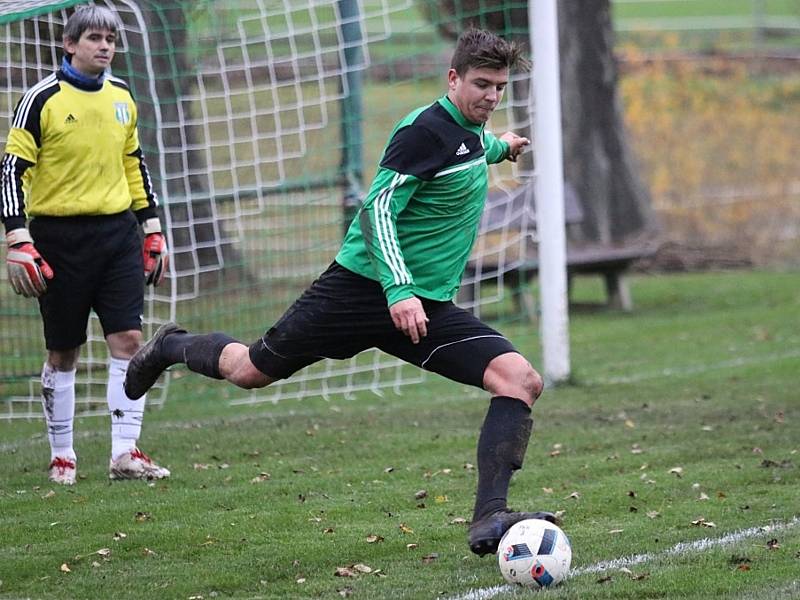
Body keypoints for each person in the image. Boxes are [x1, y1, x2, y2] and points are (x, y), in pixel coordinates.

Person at [125, 28, 554, 555]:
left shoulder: (470, 133)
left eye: (499, 87)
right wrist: (398, 290)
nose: (491, 96)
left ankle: (490, 518)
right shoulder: (423, 131)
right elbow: (376, 211)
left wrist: (501, 147)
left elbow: (470, 148)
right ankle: (171, 344)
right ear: (453, 79)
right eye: (481, 84)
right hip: (361, 292)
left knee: (518, 378)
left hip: (423, 309)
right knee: (250, 371)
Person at [1, 6, 170, 485]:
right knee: (64, 352)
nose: (105, 46)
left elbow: (134, 164)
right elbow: (13, 170)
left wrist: (152, 228)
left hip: (117, 235)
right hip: (58, 239)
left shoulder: (122, 96)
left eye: (111, 39)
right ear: (68, 43)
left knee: (130, 342)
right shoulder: (41, 99)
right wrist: (18, 237)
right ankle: (62, 456)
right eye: (94, 37)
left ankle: (124, 453)